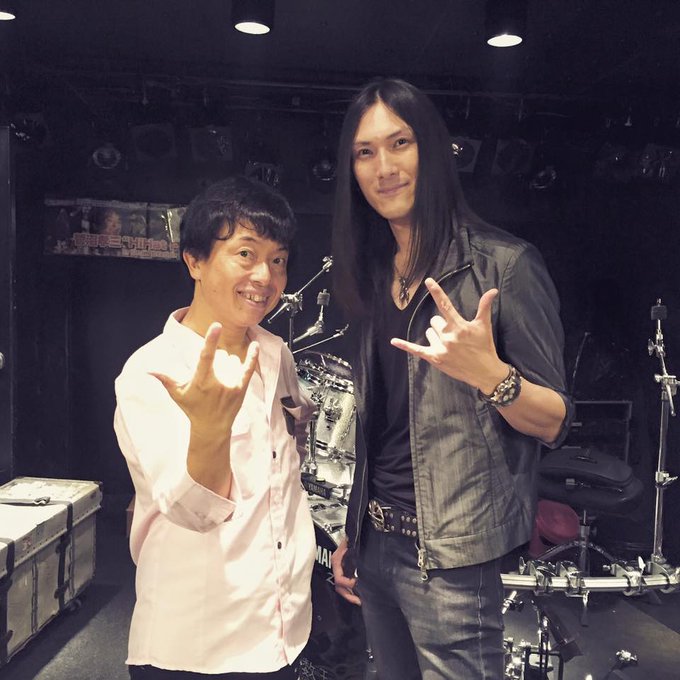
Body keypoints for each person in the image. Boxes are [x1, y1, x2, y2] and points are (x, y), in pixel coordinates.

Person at [329, 78, 574, 679]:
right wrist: (353, 529)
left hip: (452, 559)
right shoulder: (372, 271)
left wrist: (492, 377)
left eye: (400, 143)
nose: (384, 167)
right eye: (365, 152)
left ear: (432, 150)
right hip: (376, 544)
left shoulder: (504, 265)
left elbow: (555, 422)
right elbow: (381, 429)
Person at [114, 176, 316, 679]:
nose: (264, 276)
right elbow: (193, 512)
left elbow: (286, 464)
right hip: (196, 645)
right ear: (195, 261)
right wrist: (210, 430)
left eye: (278, 260)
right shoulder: (152, 371)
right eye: (245, 254)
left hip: (283, 631)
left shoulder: (274, 353)